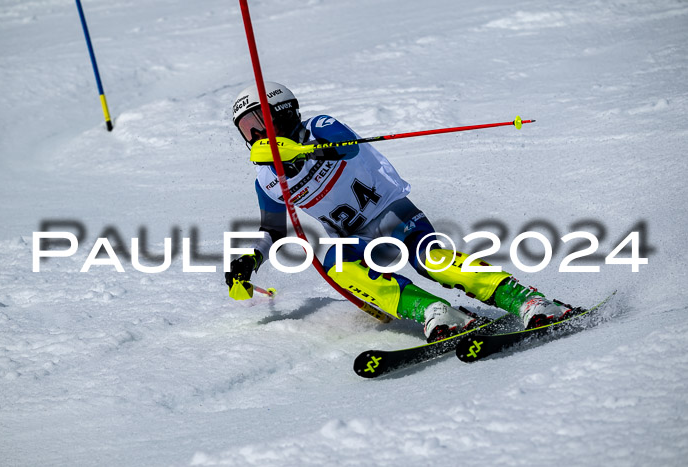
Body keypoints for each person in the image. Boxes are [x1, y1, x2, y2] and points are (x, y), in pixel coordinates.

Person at [226, 82, 579, 342]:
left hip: (391, 212)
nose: (255, 134)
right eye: (247, 128)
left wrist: (303, 153)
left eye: (260, 121)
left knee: (432, 260)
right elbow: (272, 229)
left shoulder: (318, 127)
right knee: (340, 268)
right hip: (353, 238)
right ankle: (434, 311)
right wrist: (250, 261)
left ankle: (529, 301)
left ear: (284, 113)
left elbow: (345, 149)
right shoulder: (266, 179)